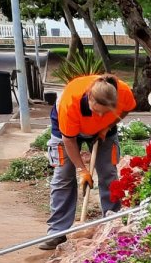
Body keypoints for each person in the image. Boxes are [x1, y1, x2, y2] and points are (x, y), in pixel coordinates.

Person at [39, 74, 135, 249]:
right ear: (90, 97)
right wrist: (82, 170)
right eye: (96, 110)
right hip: (66, 130)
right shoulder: (71, 104)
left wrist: (107, 127)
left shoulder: (123, 92)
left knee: (109, 174)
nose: (100, 115)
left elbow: (126, 109)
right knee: (63, 176)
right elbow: (69, 141)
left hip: (105, 132)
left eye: (105, 112)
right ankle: (57, 232)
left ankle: (112, 225)